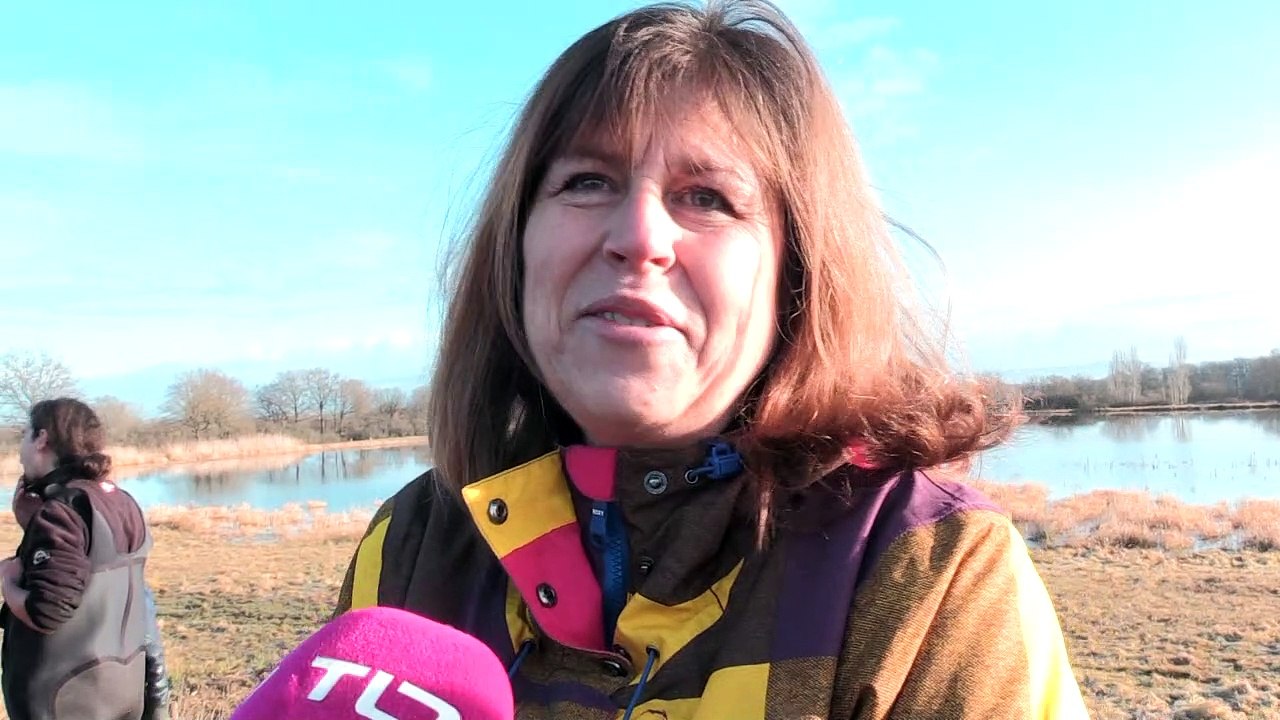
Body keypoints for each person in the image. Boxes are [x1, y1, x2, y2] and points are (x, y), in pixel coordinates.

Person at [334, 1, 1089, 717]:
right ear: (515, 249)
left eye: (707, 198)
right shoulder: (410, 549)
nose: (638, 235)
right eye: (586, 181)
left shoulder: (925, 571)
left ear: (800, 272)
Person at [2, 398, 174, 720]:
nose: (19, 450)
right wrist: (33, 526)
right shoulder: (120, 501)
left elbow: (46, 611)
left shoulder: (64, 510)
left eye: (24, 436)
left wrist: (8, 583)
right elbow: (95, 570)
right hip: (120, 686)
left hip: (63, 696)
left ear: (41, 439)